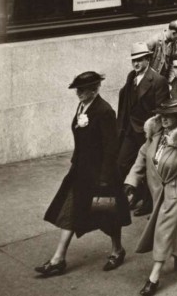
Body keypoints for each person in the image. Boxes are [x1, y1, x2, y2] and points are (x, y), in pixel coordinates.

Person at [37, 71, 131, 277]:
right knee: (70, 208)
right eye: (77, 89)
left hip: (101, 175)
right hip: (81, 171)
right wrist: (75, 163)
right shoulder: (83, 106)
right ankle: (58, 259)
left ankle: (117, 250)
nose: (78, 93)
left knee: (108, 213)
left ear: (94, 90)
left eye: (82, 90)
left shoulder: (104, 111)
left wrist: (105, 179)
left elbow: (111, 148)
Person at [124, 99, 177, 296]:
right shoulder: (155, 135)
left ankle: (153, 277)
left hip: (176, 192)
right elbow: (142, 157)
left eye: (168, 116)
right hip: (158, 191)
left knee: (163, 230)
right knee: (175, 229)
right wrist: (131, 181)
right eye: (162, 115)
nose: (163, 119)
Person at [117, 42, 170, 217]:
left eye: (139, 60)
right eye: (134, 60)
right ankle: (135, 194)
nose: (136, 64)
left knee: (149, 168)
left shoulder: (158, 80)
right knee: (122, 163)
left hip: (147, 132)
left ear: (148, 59)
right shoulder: (131, 76)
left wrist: (154, 133)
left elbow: (161, 110)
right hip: (130, 131)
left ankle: (148, 203)